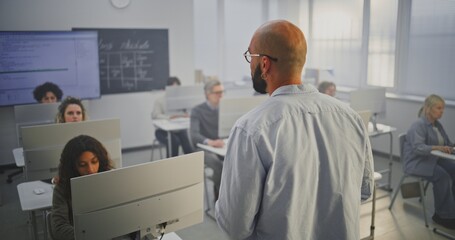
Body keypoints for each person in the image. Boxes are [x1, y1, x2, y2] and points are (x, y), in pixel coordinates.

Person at [215, 20, 374, 239]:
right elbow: (364, 192)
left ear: (264, 64)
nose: (249, 63)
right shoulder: (351, 118)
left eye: (250, 56)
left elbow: (235, 226)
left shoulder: (251, 129)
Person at [403, 94, 455, 229]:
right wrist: (438, 147)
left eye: (443, 108)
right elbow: (418, 148)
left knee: (453, 169)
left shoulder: (437, 125)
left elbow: (447, 143)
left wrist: (450, 147)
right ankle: (442, 215)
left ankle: (451, 208)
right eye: (439, 108)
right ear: (428, 109)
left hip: (431, 159)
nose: (442, 111)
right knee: (442, 177)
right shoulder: (418, 125)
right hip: (416, 162)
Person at [51, 135, 115, 239]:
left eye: (94, 162)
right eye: (82, 164)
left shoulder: (111, 180)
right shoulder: (62, 189)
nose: (90, 169)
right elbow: (59, 228)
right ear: (72, 167)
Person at [190, 79, 225, 200]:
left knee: (238, 160)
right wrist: (211, 142)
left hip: (221, 145)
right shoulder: (197, 110)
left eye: (222, 92)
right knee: (217, 164)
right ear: (207, 94)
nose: (221, 95)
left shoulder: (224, 108)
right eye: (217, 92)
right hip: (203, 148)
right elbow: (194, 135)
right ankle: (220, 195)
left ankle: (227, 191)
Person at [152, 77, 193, 157]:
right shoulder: (159, 100)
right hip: (162, 131)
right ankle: (171, 166)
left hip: (178, 129)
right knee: (174, 141)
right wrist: (170, 117)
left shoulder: (180, 100)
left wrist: (186, 114)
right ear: (168, 88)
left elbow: (186, 112)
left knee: (187, 140)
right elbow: (155, 115)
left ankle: (191, 164)